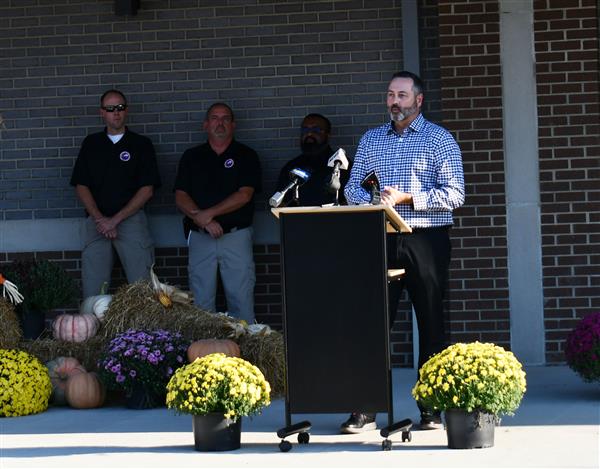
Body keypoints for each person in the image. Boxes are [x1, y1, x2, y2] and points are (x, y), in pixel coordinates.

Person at [342, 71, 465, 433]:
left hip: (426, 239)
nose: (394, 101)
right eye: (390, 95)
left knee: (430, 323)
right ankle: (364, 407)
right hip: (380, 238)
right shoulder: (371, 139)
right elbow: (352, 188)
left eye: (402, 95)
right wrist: (374, 202)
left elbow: (455, 194)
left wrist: (407, 198)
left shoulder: (438, 139)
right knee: (373, 323)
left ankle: (431, 407)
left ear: (418, 100)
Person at [174, 103, 261, 324]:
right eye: (214, 118)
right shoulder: (192, 156)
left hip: (235, 236)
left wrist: (207, 215)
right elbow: (180, 195)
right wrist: (201, 219)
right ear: (205, 124)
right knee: (201, 304)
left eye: (225, 118)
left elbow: (245, 195)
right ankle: (204, 356)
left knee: (241, 300)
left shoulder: (246, 155)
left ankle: (246, 355)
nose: (219, 123)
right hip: (200, 238)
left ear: (233, 124)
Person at [70, 89, 161, 298]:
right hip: (96, 223)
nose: (116, 113)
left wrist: (115, 220)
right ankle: (93, 331)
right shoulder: (91, 144)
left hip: (131, 221)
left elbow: (147, 189)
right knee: (93, 290)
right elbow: (81, 185)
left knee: (143, 287)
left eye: (120, 108)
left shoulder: (141, 144)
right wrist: (101, 219)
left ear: (126, 110)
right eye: (110, 109)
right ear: (101, 112)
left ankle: (145, 331)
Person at [276, 114, 349, 206]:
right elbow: (280, 202)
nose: (309, 134)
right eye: (305, 129)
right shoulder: (292, 166)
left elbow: (353, 201)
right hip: (298, 219)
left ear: (328, 134)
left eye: (316, 130)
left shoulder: (342, 164)